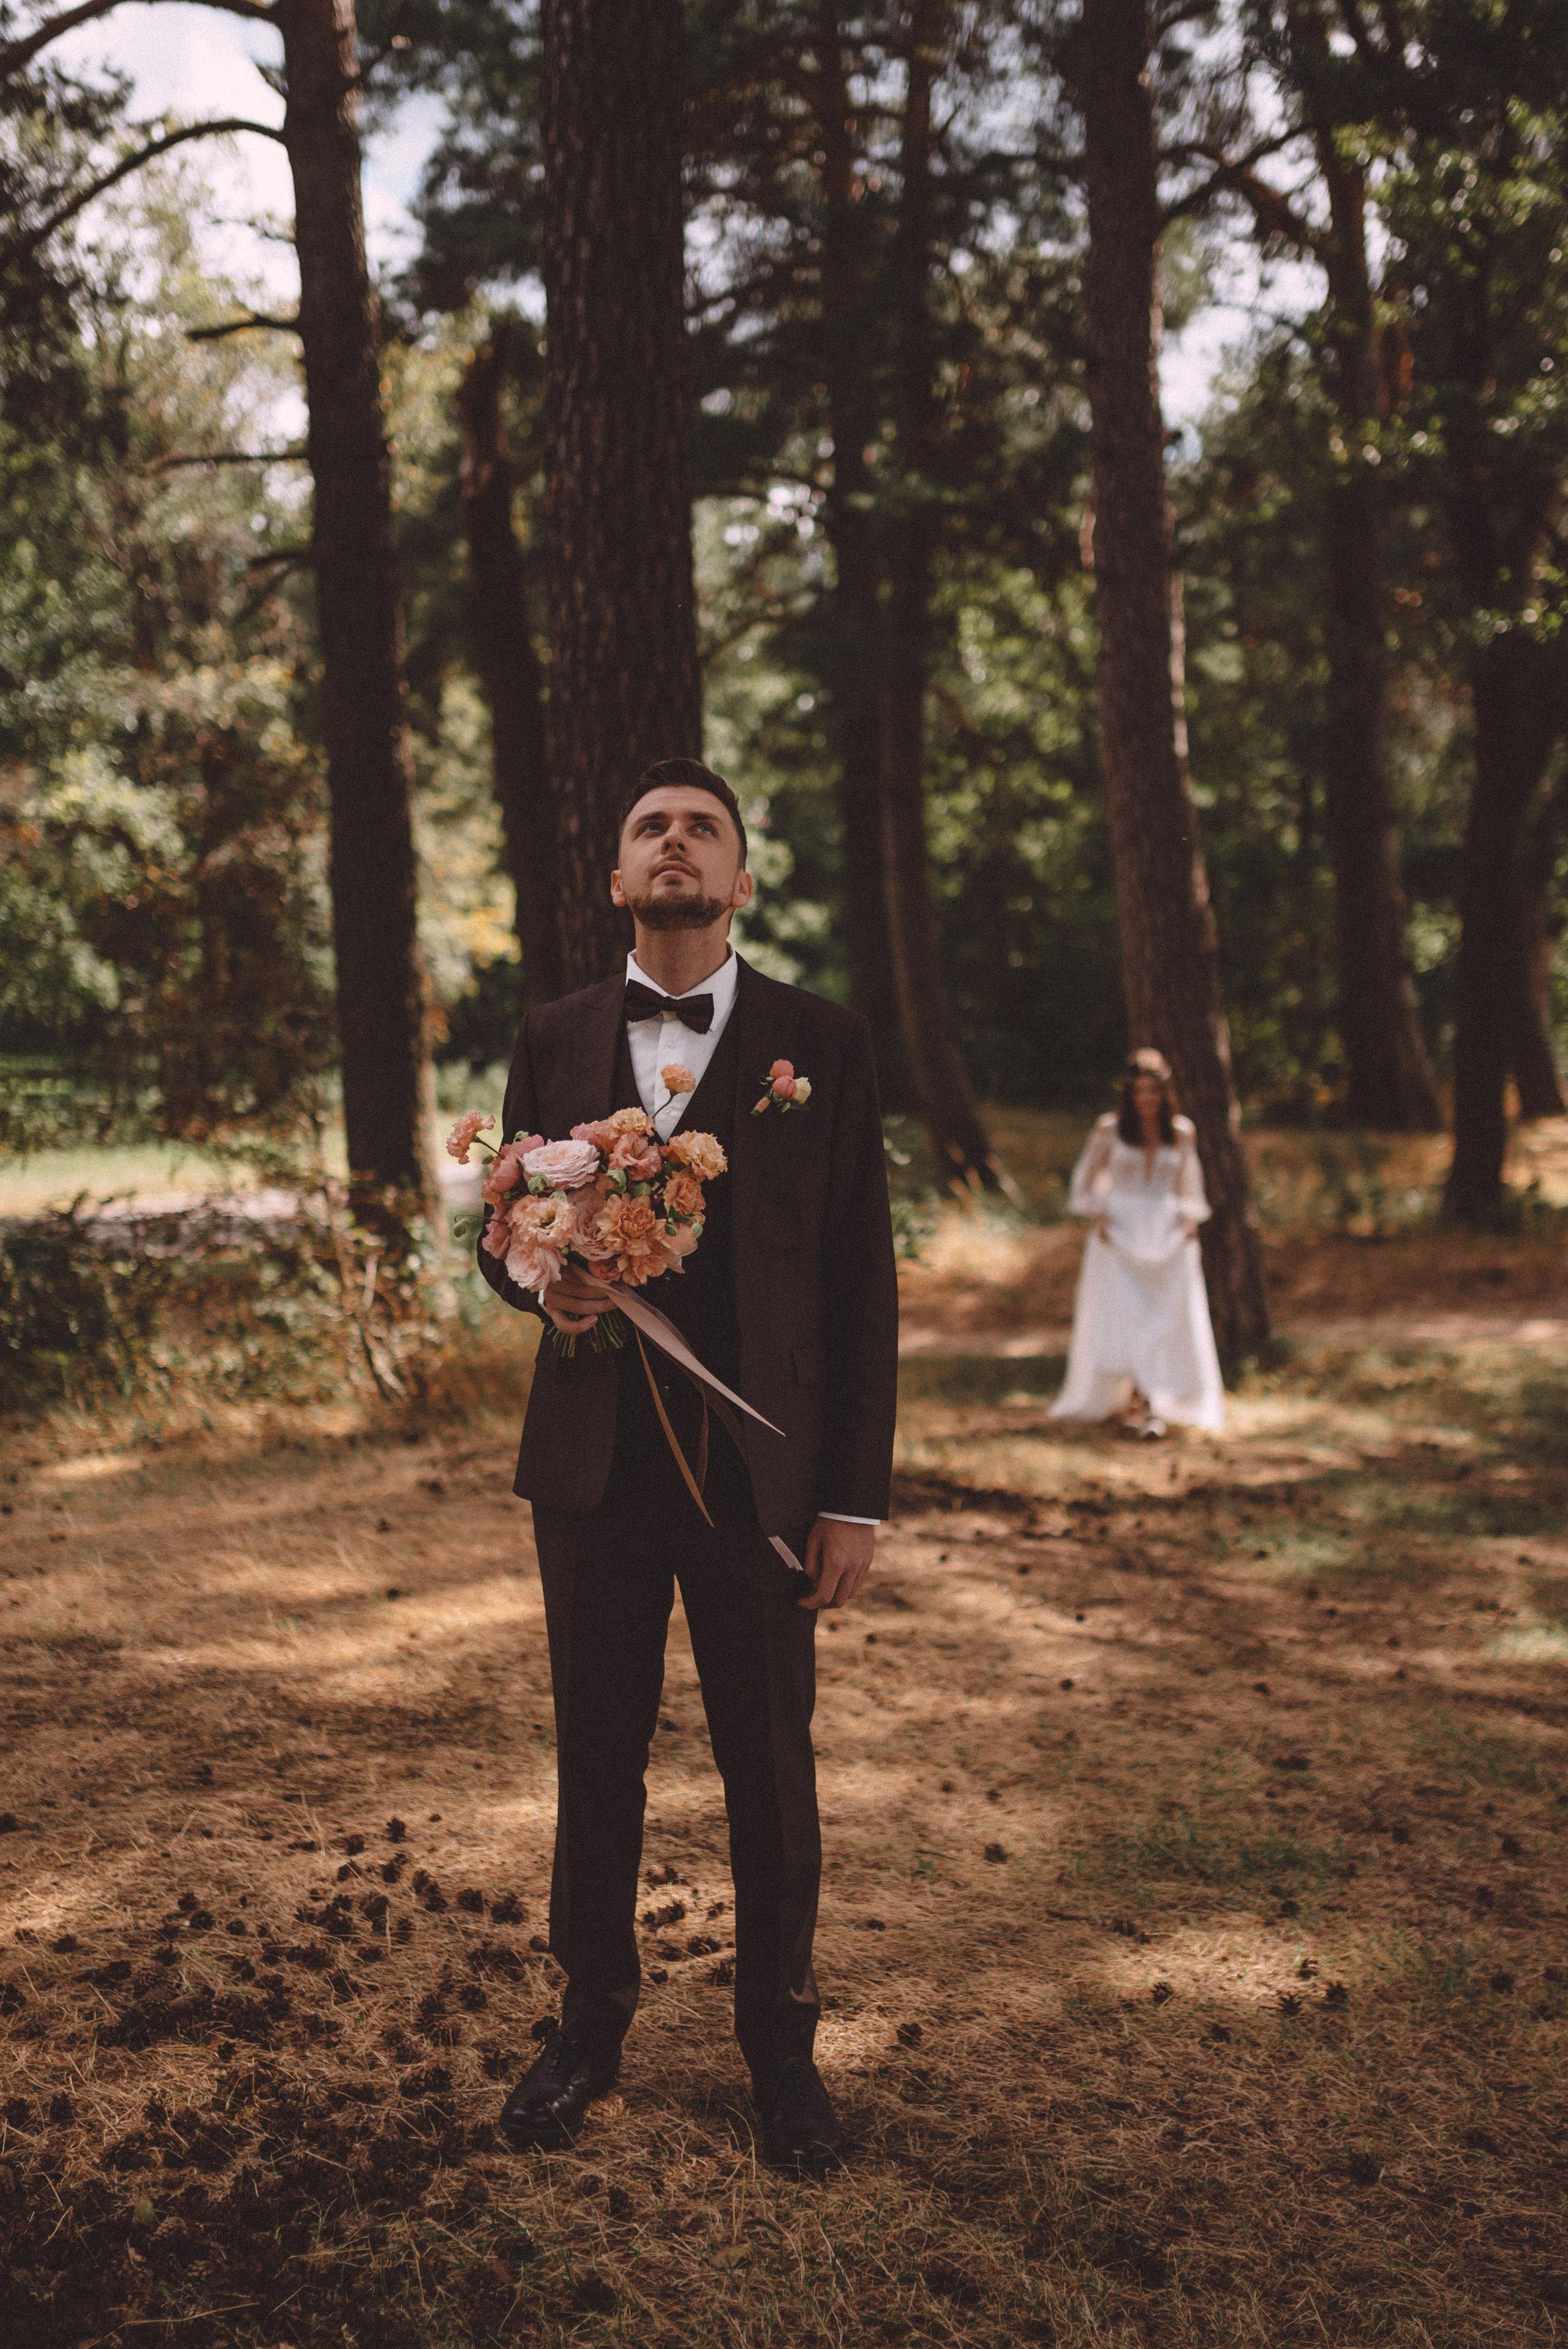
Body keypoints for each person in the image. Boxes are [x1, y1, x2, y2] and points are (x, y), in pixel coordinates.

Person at [477, 757, 899, 2177]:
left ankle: (780, 2050)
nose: (673, 843)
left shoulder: (818, 1044)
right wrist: (545, 1284)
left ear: (738, 873)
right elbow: (504, 1234)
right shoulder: (552, 1031)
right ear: (614, 877)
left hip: (760, 1476)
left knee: (768, 1766)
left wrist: (852, 1494)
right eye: (648, 827)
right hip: (591, 1469)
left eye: (699, 826)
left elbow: (858, 1282)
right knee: (596, 1756)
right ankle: (585, 2029)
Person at [1049, 1048, 1224, 1437]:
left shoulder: (1181, 1132)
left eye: (1154, 1091)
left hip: (1164, 1232)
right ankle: (1139, 1401)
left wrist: (1188, 1222)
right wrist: (1100, 1214)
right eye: (1139, 1091)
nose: (1147, 1099)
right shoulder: (1109, 1129)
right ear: (1129, 1093)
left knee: (1163, 1317)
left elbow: (1190, 1186)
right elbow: (1084, 1181)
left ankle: (1155, 1401)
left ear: (1165, 1092)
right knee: (1126, 1316)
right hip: (1120, 1232)